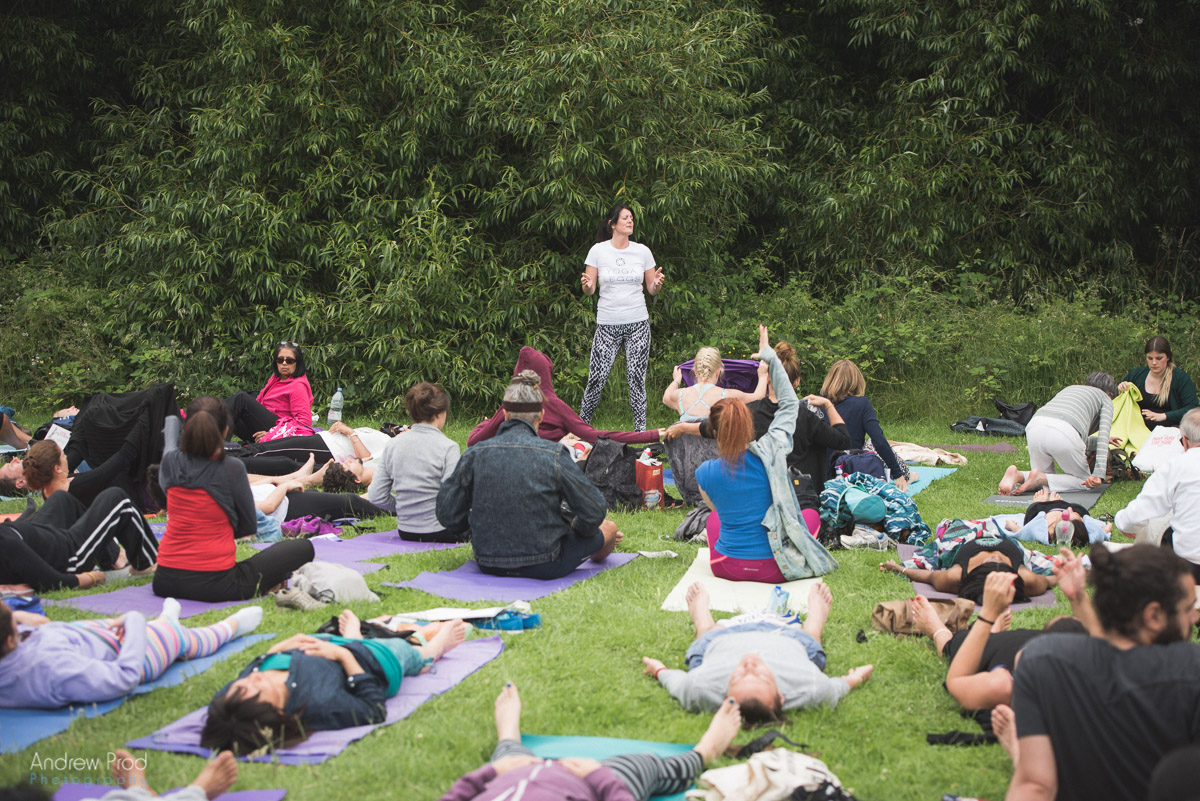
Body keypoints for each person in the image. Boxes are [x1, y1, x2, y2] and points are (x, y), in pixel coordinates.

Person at [1003, 544, 1200, 801]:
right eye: (1187, 609)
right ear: (1154, 616)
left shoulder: (1041, 660)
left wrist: (1078, 599)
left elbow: (1035, 785)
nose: (1194, 617)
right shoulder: (1190, 668)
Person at [437, 370, 623, 580]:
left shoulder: (474, 454)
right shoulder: (553, 454)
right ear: (541, 416)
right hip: (547, 562)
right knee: (609, 528)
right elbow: (595, 509)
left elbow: (447, 512)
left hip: (488, 561)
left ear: (505, 414)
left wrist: (475, 528)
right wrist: (577, 531)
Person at [199, 610, 467, 753]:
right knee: (405, 652)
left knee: (367, 628)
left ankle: (358, 636)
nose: (254, 678)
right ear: (276, 712)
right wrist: (344, 656)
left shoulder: (230, 703)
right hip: (373, 661)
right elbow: (373, 709)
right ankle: (427, 651)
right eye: (257, 688)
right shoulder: (318, 704)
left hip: (327, 645)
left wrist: (275, 651)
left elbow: (251, 671)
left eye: (243, 683)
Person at [694, 326, 838, 583]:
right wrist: (770, 358)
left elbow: (720, 510)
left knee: (714, 519)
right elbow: (790, 403)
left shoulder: (704, 473)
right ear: (749, 425)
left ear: (714, 431)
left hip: (725, 566)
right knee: (810, 517)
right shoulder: (771, 453)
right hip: (775, 568)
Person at [437, 681, 742, 801]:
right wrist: (599, 778)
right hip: (587, 786)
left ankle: (507, 739)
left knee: (509, 755)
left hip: (513, 776)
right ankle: (704, 753)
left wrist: (493, 772)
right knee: (642, 764)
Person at [152, 396, 313, 602]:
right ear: (226, 431)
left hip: (165, 580)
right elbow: (246, 527)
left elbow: (171, 436)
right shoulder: (231, 468)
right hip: (218, 584)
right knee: (302, 547)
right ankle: (274, 581)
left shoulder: (170, 462)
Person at [642, 582, 872, 723]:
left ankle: (701, 616)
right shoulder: (811, 688)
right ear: (782, 696)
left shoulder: (701, 689)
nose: (749, 664)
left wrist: (659, 670)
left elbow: (675, 681)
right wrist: (856, 677)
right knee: (812, 644)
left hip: (723, 638)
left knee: (704, 637)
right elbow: (838, 686)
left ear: (724, 699)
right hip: (787, 638)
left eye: (739, 676)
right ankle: (816, 619)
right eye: (761, 676)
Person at [667, 340, 850, 513]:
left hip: (761, 499)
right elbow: (842, 440)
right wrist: (828, 404)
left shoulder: (750, 413)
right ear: (796, 382)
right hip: (800, 500)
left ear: (768, 379)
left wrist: (683, 427)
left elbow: (713, 427)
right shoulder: (806, 418)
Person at [0, 598, 262, 708]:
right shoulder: (53, 668)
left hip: (97, 636)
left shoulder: (17, 654)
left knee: (158, 627)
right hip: (130, 649)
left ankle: (165, 620)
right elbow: (125, 677)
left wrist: (21, 620)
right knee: (186, 638)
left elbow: (40, 633)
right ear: (11, 641)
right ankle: (230, 627)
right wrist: (134, 620)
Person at [907, 563, 1093, 712]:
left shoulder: (1002, 684)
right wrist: (1077, 596)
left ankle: (936, 628)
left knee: (956, 644)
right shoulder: (1095, 671)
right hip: (1027, 650)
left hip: (994, 655)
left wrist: (988, 613)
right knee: (1069, 631)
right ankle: (994, 633)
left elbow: (956, 681)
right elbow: (1096, 644)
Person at [578, 204, 665, 432]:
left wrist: (655, 284)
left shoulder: (642, 251)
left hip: (638, 323)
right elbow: (590, 290)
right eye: (625, 218)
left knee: (636, 379)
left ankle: (640, 433)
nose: (630, 221)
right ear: (613, 223)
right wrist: (587, 286)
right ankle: (579, 428)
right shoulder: (598, 251)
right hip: (607, 325)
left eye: (632, 218)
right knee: (596, 379)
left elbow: (651, 289)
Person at [468, 347, 663, 447]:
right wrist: (651, 434)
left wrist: (484, 424)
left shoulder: (510, 405)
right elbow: (595, 436)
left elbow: (473, 441)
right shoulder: (554, 405)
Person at [0, 486, 158, 591]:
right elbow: (51, 581)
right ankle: (146, 563)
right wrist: (91, 578)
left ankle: (115, 556)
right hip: (68, 554)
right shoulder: (6, 545)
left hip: (39, 536)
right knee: (117, 498)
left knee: (60, 499)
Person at [367, 382, 465, 542]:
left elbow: (376, 495)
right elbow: (453, 497)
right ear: (440, 414)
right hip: (443, 531)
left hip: (406, 531)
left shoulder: (393, 444)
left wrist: (405, 507)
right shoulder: (448, 447)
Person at [998, 371, 1120, 495]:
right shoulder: (1106, 399)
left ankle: (1018, 476)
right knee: (1085, 482)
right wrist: (1098, 474)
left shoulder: (1071, 389)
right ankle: (1038, 477)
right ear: (1110, 394)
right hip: (1064, 431)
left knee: (1044, 483)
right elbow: (1100, 436)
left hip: (1035, 426)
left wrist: (1097, 441)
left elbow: (1071, 435)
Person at [1115, 407, 1200, 580]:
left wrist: (1123, 522)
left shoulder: (1176, 466)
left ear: (1184, 440)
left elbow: (1138, 514)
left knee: (1160, 519)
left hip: (1189, 567)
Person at [879, 524, 1058, 603]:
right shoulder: (1027, 580)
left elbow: (929, 576)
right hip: (1002, 539)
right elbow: (1053, 579)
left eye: (991, 561)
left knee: (952, 527)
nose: (995, 557)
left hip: (963, 542)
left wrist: (899, 568)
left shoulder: (954, 578)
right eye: (999, 561)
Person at [818, 359, 910, 488]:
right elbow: (879, 440)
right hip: (850, 471)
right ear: (857, 381)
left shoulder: (817, 403)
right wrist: (898, 474)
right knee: (873, 447)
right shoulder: (861, 404)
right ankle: (909, 476)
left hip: (819, 475)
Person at [225, 342, 314, 442]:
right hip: (262, 427)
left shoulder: (298, 386)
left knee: (241, 398)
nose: (284, 363)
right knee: (227, 408)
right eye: (280, 360)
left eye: (289, 361)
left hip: (278, 430)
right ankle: (213, 443)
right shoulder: (277, 377)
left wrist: (274, 433)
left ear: (297, 363)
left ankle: (211, 439)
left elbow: (304, 423)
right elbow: (260, 399)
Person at [662, 347, 767, 422]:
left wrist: (676, 380)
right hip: (718, 453)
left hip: (687, 453)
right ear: (718, 372)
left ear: (695, 372)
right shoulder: (728, 396)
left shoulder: (680, 395)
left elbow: (666, 398)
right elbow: (758, 397)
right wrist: (762, 376)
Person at [1118, 336, 1199, 428]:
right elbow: (1118, 403)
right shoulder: (1136, 375)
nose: (1154, 363)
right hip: (1136, 430)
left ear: (1168, 357)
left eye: (1159, 358)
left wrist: (1164, 416)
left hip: (1170, 431)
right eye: (1150, 358)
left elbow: (1192, 408)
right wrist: (1121, 389)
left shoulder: (1180, 378)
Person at [1001, 488, 1111, 546]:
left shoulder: (1042, 533)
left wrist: (1011, 526)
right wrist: (1108, 526)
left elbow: (1023, 532)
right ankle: (1056, 502)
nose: (1069, 511)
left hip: (1043, 510)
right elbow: (1103, 531)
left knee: (1033, 512)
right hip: (1064, 505)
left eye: (1064, 516)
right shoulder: (1090, 536)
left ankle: (1042, 502)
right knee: (1079, 510)